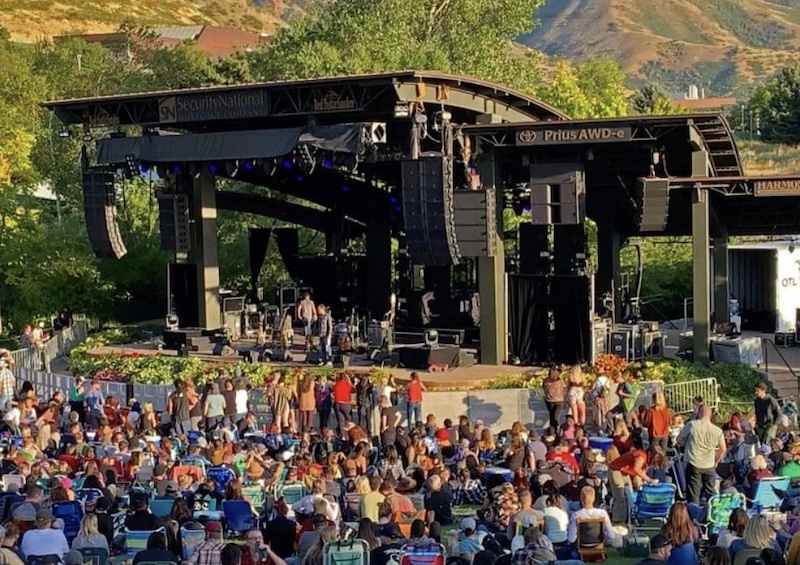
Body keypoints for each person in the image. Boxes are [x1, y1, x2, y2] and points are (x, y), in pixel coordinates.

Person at [678, 405, 726, 504]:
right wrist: (716, 461)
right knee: (710, 492)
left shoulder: (692, 425)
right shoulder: (717, 430)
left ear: (699, 413)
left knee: (694, 493)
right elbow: (723, 449)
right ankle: (713, 514)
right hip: (709, 464)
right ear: (711, 415)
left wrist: (686, 443)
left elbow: (679, 440)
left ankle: (694, 515)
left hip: (694, 462)